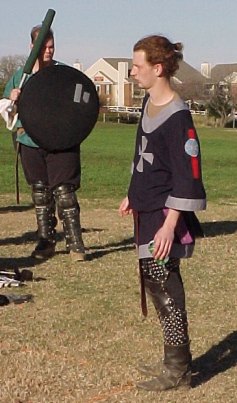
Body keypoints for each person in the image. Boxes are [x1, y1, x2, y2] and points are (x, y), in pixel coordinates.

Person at [119, 35, 206, 392]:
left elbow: (188, 175)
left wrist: (171, 224)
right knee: (156, 284)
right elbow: (144, 155)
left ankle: (178, 370)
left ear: (158, 68)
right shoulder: (147, 102)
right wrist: (131, 193)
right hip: (146, 206)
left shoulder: (178, 116)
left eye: (137, 66)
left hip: (164, 215)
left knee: (165, 287)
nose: (133, 72)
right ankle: (175, 361)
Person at [3, 25, 85, 262]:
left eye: (51, 46)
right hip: (30, 140)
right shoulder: (20, 76)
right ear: (32, 47)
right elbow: (8, 111)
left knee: (65, 192)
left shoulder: (63, 74)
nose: (48, 51)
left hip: (61, 141)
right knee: (40, 193)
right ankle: (46, 241)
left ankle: (75, 243)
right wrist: (13, 99)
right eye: (43, 47)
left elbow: (80, 102)